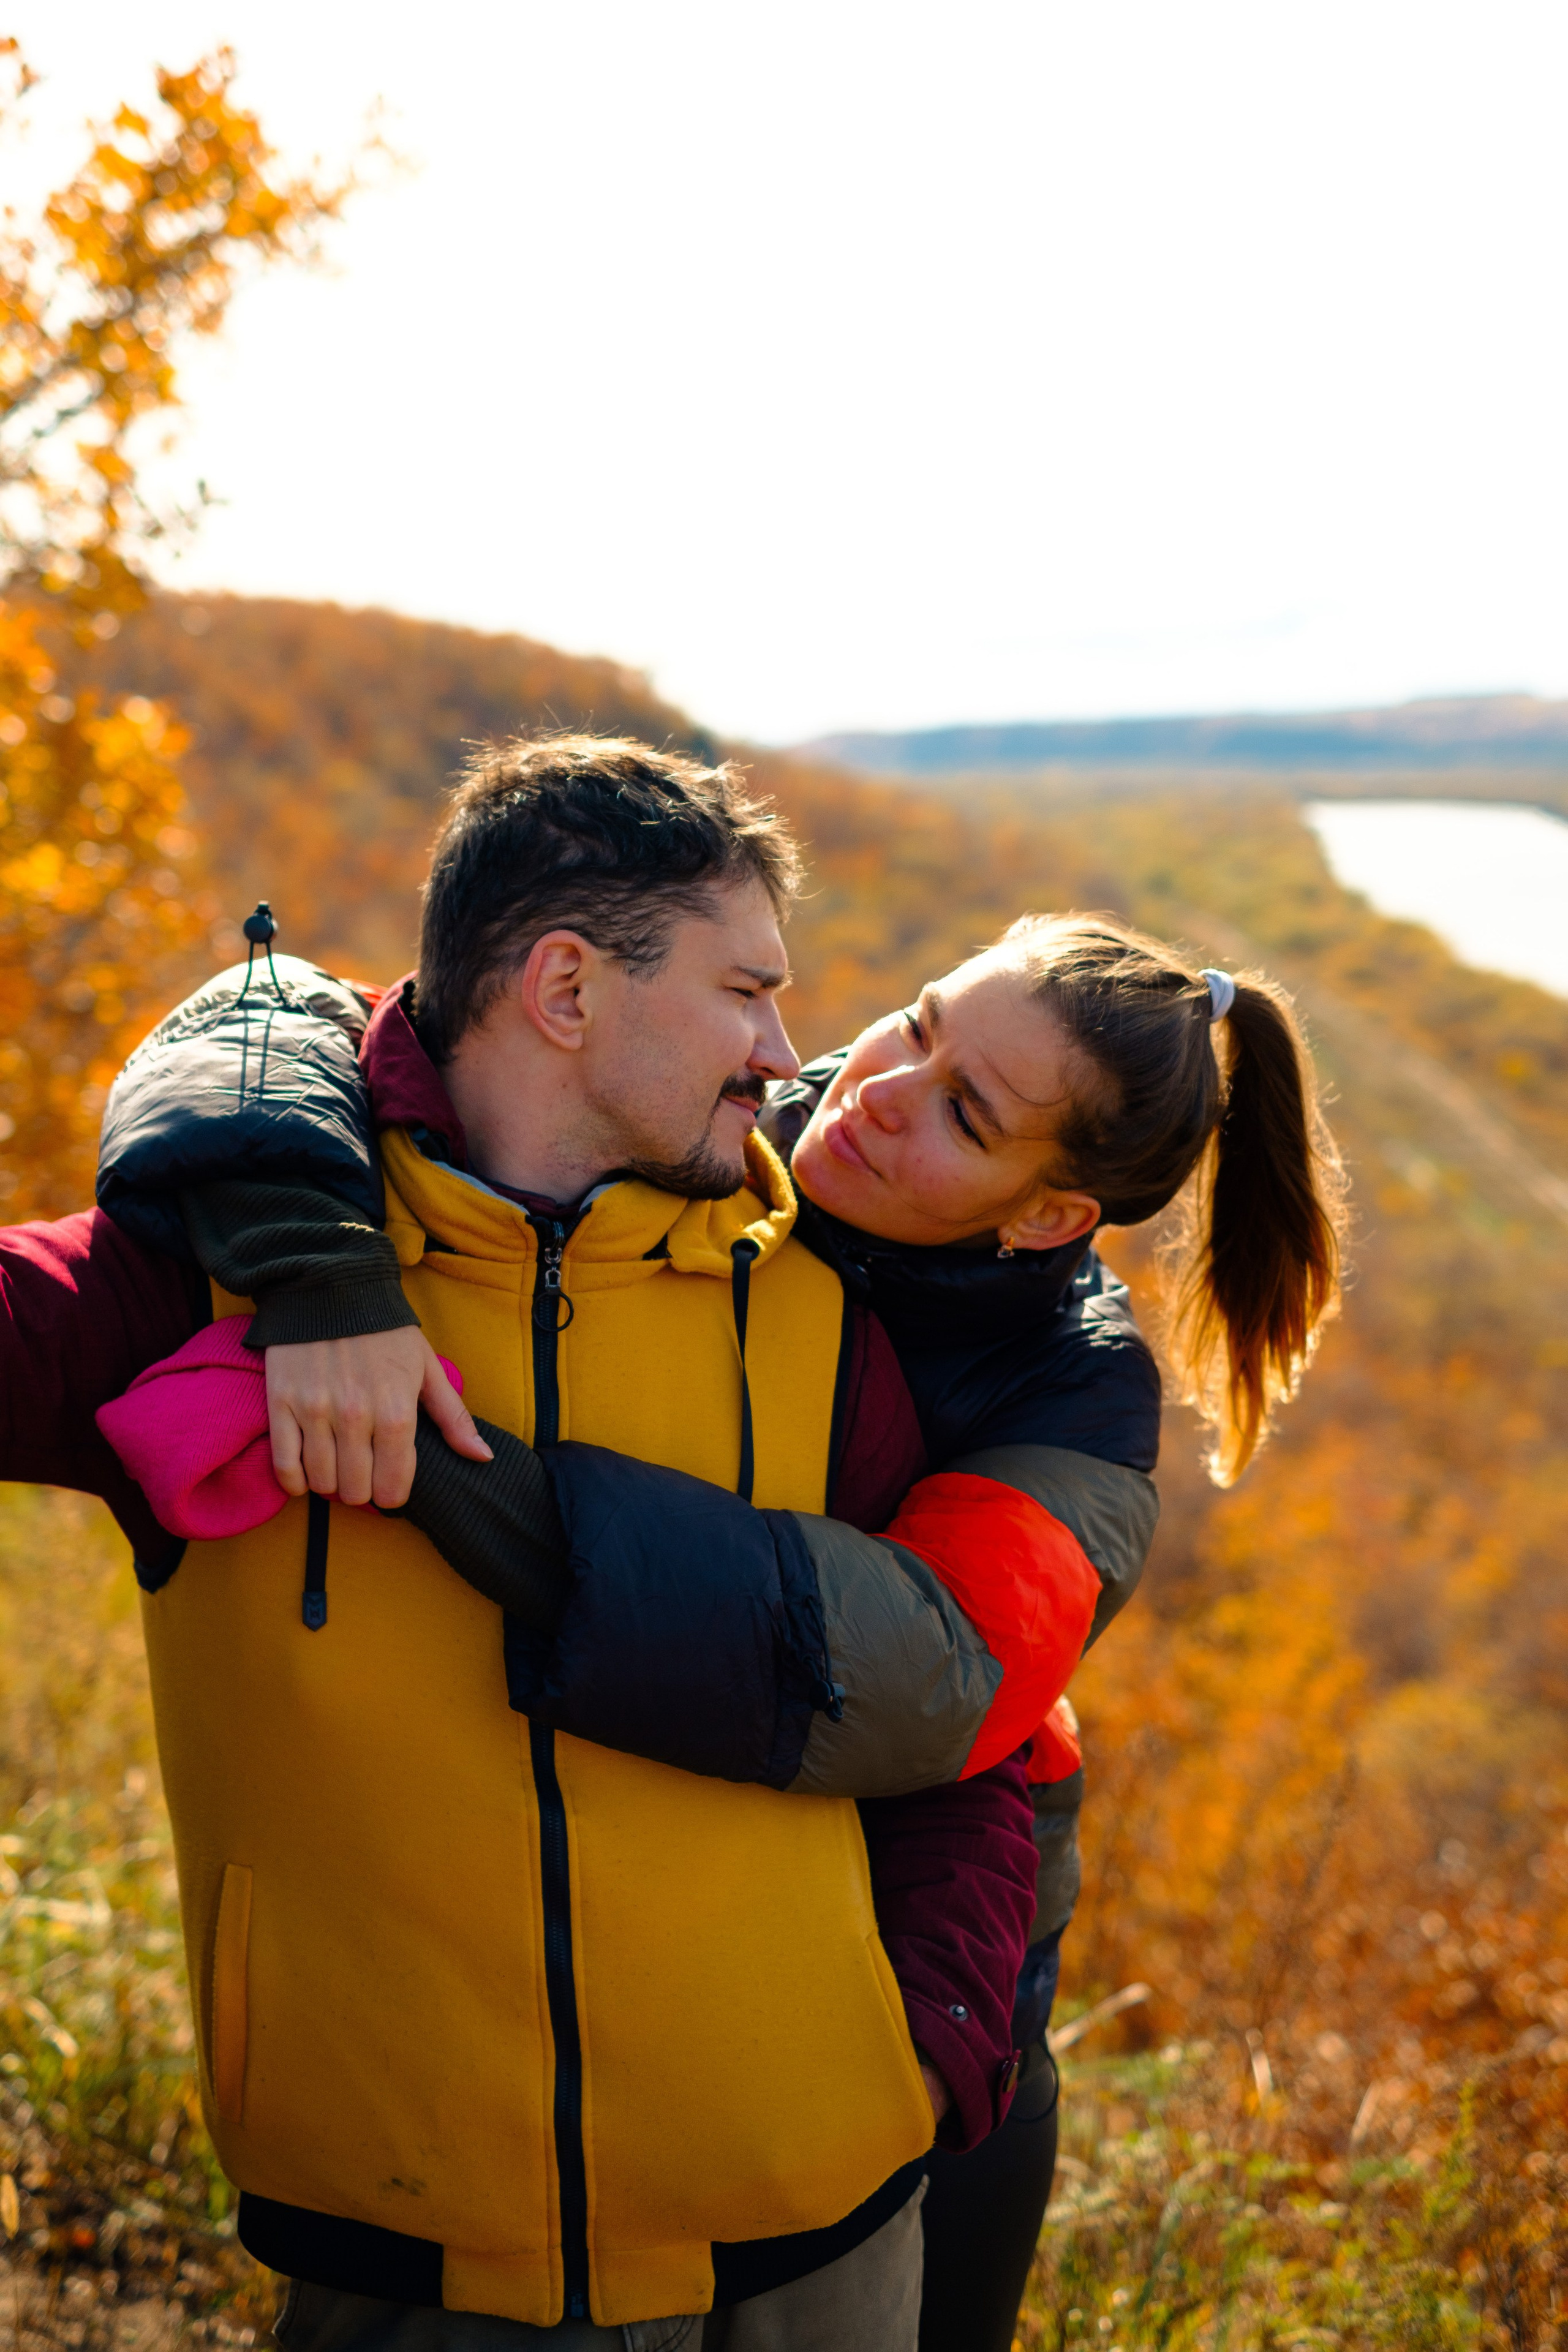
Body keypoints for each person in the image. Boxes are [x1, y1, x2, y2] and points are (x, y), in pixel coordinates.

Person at [98, 745, 1346, 2350]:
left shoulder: (1073, 1385)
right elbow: (313, 1028)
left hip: (946, 1931)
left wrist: (434, 1464)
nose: (872, 1093)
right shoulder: (739, 1124)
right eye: (914, 1022)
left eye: (964, 1113)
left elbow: (917, 1675)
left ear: (1043, 1220)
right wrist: (319, 1266)